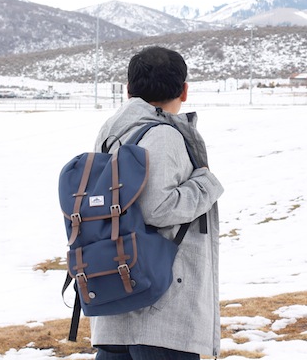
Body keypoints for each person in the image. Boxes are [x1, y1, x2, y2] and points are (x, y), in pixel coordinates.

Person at [91, 46, 224, 359]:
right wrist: (205, 184)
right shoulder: (164, 135)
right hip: (162, 310)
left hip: (118, 299)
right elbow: (157, 207)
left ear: (129, 90)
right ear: (184, 91)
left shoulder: (112, 134)